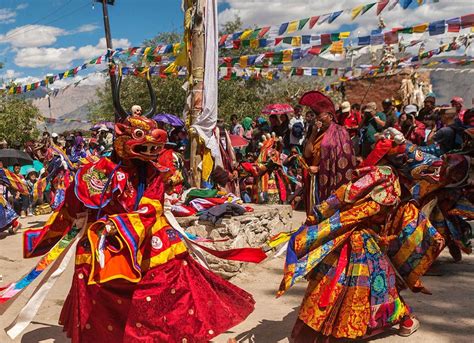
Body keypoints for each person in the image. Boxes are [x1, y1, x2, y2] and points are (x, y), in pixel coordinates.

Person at [7, 114, 266, 342]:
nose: (151, 150)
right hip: (102, 247)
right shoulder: (92, 172)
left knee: (169, 284)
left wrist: (119, 223)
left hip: (147, 240)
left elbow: (152, 206)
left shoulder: (153, 172)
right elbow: (74, 208)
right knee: (100, 303)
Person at [300, 91, 356, 215]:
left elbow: (343, 159)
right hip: (315, 180)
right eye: (316, 117)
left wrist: (320, 168)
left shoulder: (340, 132)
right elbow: (308, 154)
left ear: (330, 116)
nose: (318, 120)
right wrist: (314, 132)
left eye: (321, 116)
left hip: (331, 177)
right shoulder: (316, 132)